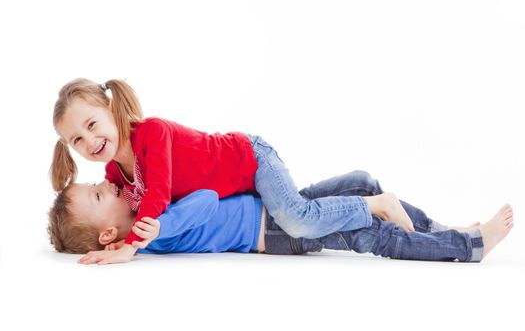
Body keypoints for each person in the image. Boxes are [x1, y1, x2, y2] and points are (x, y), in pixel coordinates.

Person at [50, 78, 415, 264]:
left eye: (92, 124)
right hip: (240, 195)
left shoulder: (151, 133)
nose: (90, 140)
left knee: (298, 218)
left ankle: (375, 204)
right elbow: (129, 207)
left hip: (250, 159)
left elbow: (159, 193)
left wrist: (131, 246)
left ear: (112, 110)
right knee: (302, 205)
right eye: (77, 140)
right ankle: (361, 185)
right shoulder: (116, 174)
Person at [47, 171, 514, 265]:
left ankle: (444, 230)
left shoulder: (146, 216)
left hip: (277, 206)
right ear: (110, 230)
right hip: (275, 231)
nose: (105, 184)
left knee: (364, 182)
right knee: (370, 233)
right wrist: (143, 236)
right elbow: (207, 198)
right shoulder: (154, 232)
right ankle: (469, 247)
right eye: (96, 193)